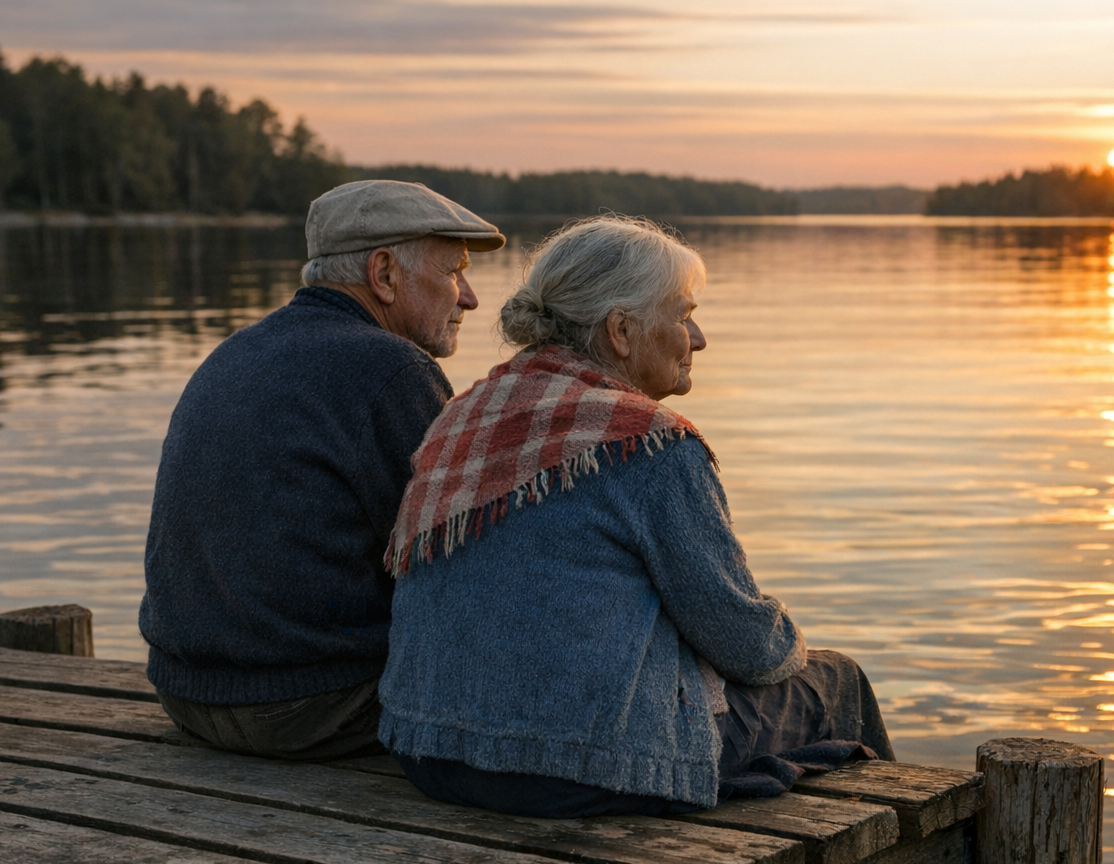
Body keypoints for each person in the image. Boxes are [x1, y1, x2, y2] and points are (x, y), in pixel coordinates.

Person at [378, 214, 893, 816]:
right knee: (837, 681)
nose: (698, 338)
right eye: (683, 316)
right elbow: (749, 646)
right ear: (620, 330)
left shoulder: (465, 415)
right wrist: (789, 642)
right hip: (570, 769)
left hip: (429, 753)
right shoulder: (646, 441)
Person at [139, 180, 503, 760]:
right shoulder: (393, 369)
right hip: (308, 707)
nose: (469, 298)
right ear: (384, 274)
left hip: (186, 695)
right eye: (454, 271)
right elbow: (456, 569)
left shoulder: (235, 350)